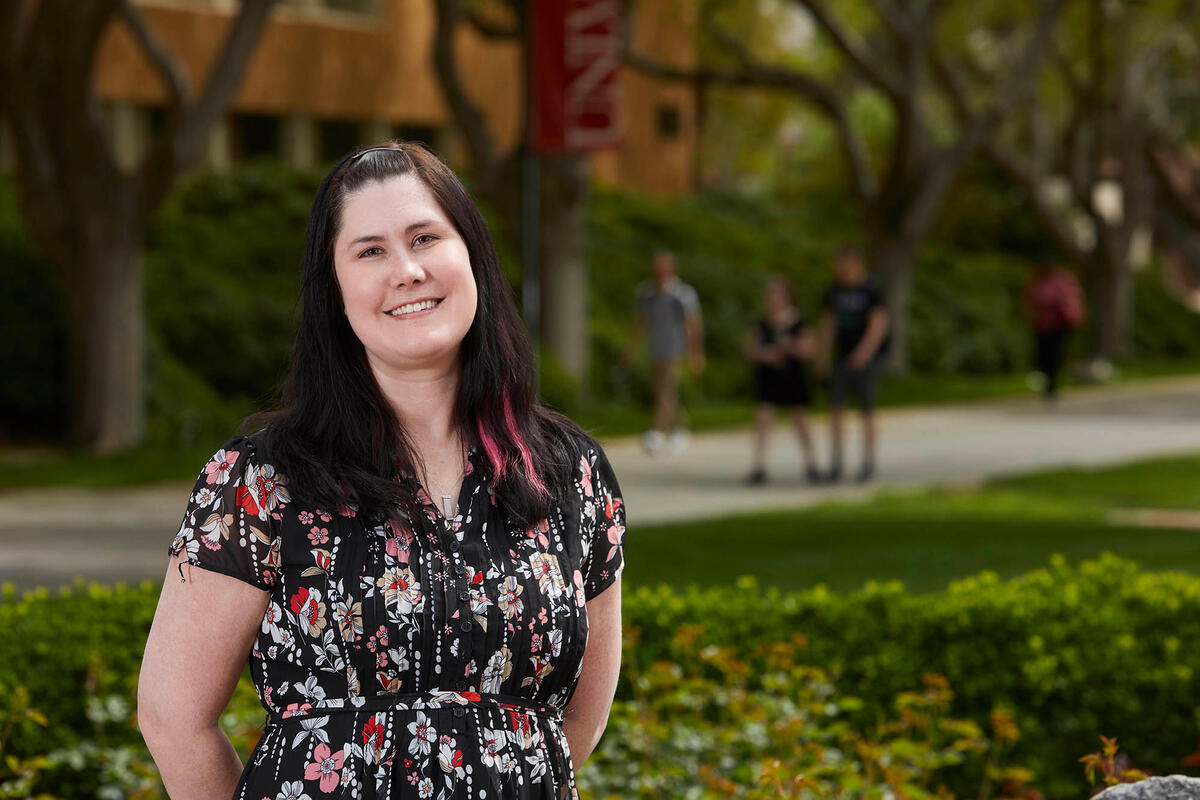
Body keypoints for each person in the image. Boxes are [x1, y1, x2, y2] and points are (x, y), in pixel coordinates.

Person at [138, 142, 627, 800]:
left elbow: (577, 720)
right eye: (370, 251)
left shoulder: (571, 474)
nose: (406, 270)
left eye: (425, 237)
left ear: (472, 256)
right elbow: (173, 719)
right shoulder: (261, 481)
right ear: (335, 291)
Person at [816, 246, 890, 483]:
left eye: (845, 265)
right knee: (836, 408)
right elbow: (828, 324)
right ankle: (836, 461)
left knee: (867, 409)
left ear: (856, 264)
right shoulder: (834, 291)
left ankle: (868, 461)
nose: (841, 271)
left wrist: (864, 353)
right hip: (842, 355)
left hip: (866, 357)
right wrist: (823, 356)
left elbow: (879, 323)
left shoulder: (871, 290)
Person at [625, 250, 705, 455]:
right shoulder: (647, 293)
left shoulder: (682, 294)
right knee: (658, 390)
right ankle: (679, 428)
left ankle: (657, 432)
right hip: (655, 348)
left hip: (675, 348)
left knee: (666, 389)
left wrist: (695, 354)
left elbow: (692, 325)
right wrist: (632, 349)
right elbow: (639, 324)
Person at [743, 275, 820, 486]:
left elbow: (809, 349)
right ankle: (759, 465)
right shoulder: (763, 324)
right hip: (768, 377)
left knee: (800, 420)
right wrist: (768, 354)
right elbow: (750, 350)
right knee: (763, 419)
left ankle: (811, 463)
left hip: (792, 376)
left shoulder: (798, 323)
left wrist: (790, 347)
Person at [1023, 259, 1086, 402]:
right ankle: (1048, 383)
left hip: (1059, 324)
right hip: (1042, 324)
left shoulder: (1061, 281)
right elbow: (1030, 299)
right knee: (1043, 355)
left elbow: (1067, 299)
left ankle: (1052, 385)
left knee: (1055, 354)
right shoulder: (1037, 282)